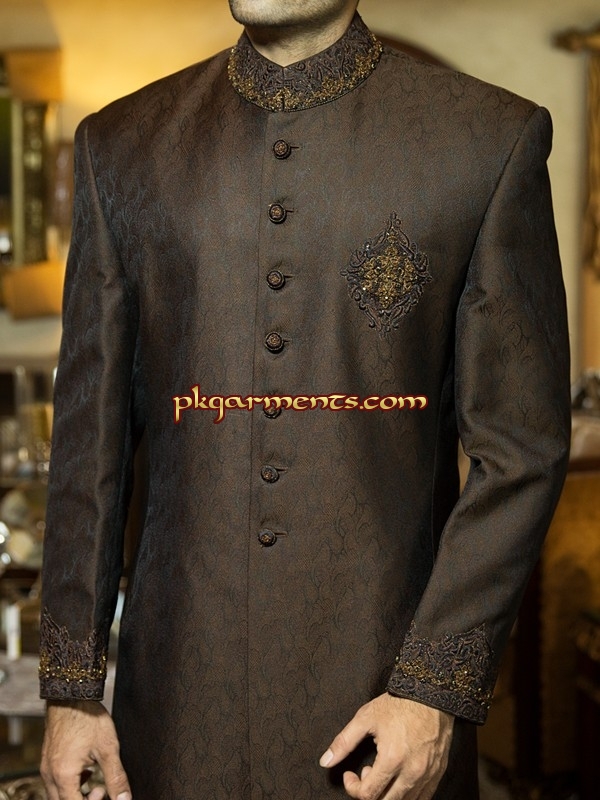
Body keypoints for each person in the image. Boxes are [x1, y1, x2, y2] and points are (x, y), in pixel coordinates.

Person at [38, 1, 571, 798]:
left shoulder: (488, 139)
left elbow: (521, 449)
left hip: (384, 705)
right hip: (176, 711)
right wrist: (71, 690)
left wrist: (431, 692)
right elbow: (90, 446)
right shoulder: (122, 146)